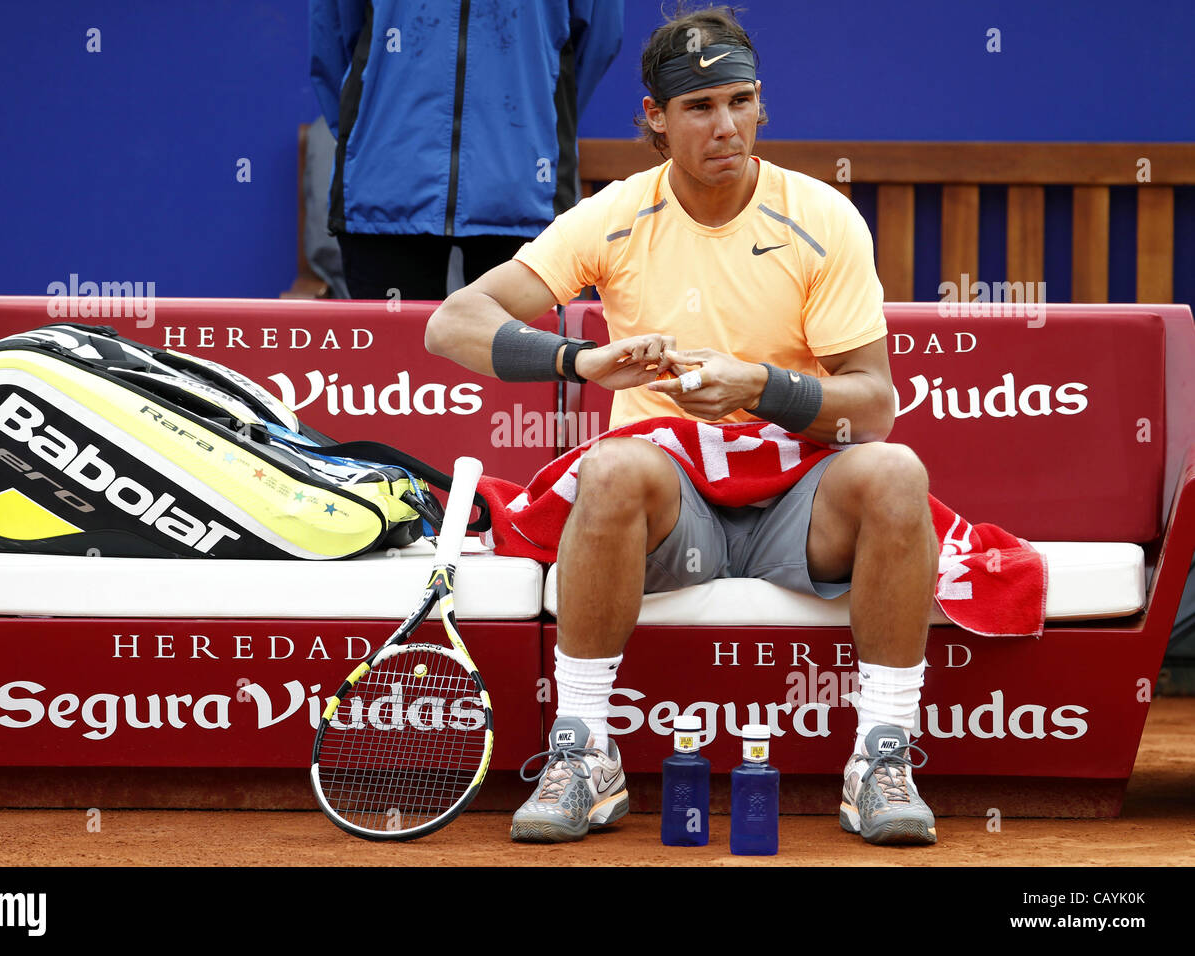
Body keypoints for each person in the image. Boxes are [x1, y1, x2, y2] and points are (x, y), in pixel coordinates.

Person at [425, 4, 940, 847]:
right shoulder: (616, 214)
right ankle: (584, 749)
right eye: (699, 108)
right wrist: (578, 362)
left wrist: (763, 387)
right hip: (673, 504)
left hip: (799, 500)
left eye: (740, 100)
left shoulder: (822, 216)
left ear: (761, 106)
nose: (725, 125)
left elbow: (874, 405)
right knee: (612, 468)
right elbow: (453, 321)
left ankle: (881, 757)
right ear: (656, 121)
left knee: (897, 471)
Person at [309, 0, 624, 300]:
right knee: (398, 355)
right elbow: (333, 38)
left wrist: (541, 115)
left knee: (518, 355)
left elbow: (599, 39)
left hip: (511, 192)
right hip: (399, 189)